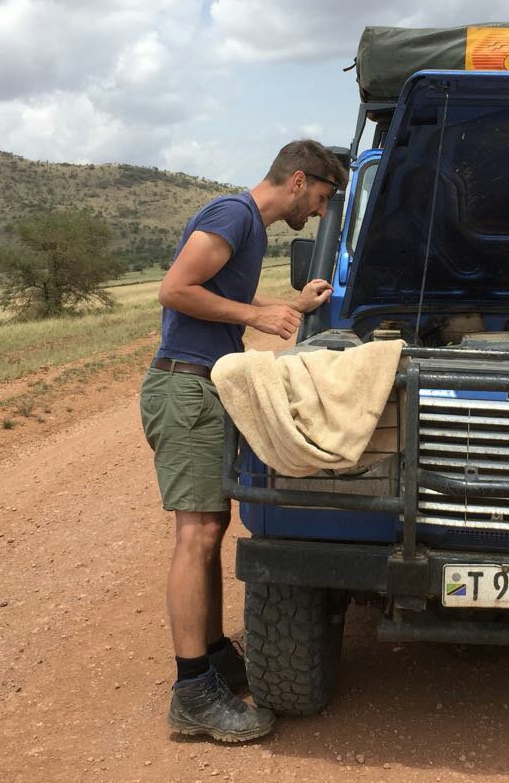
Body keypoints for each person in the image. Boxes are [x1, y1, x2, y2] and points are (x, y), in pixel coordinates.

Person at [140, 139, 348, 742]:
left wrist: (284, 304)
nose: (318, 208)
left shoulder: (248, 227)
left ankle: (211, 657)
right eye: (321, 197)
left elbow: (220, 296)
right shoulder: (233, 213)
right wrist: (258, 319)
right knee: (196, 533)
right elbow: (175, 289)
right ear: (297, 180)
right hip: (185, 389)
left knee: (211, 526)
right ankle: (192, 692)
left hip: (202, 388)